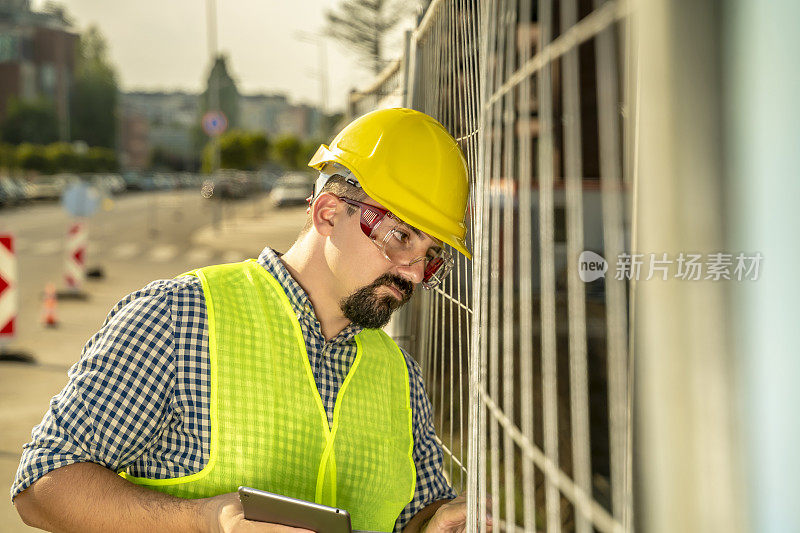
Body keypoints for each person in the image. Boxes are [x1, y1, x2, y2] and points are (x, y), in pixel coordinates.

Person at [11, 108, 490, 532]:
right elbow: (42, 484)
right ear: (328, 212)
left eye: (430, 256)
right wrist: (204, 520)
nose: (412, 272)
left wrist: (433, 525)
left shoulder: (401, 379)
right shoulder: (179, 319)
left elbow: (410, 517)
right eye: (401, 238)